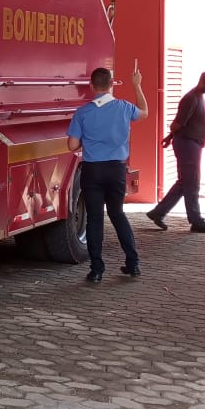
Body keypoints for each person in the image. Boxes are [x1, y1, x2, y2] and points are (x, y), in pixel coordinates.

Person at [67, 65, 148, 283]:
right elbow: (144, 112)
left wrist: (86, 139)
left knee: (94, 218)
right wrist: (137, 85)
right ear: (111, 84)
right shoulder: (124, 107)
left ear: (91, 86)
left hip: (93, 170)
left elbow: (72, 145)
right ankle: (133, 263)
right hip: (117, 170)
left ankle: (96, 270)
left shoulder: (83, 112)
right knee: (117, 214)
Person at [146, 70, 205, 234]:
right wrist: (171, 135)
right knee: (192, 183)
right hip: (188, 145)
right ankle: (196, 221)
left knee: (184, 182)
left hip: (191, 144)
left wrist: (169, 137)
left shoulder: (199, 97)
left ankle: (158, 212)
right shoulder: (191, 98)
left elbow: (184, 124)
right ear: (203, 81)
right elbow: (177, 124)